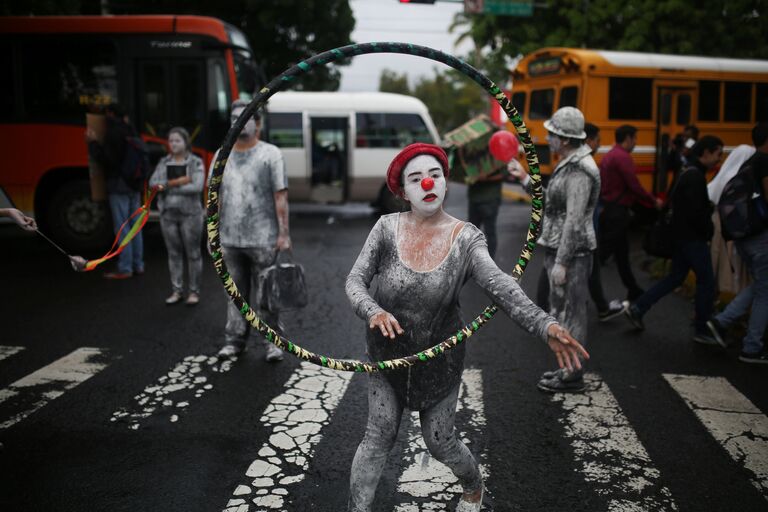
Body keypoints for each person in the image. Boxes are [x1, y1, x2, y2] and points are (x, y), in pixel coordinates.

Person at [345, 142, 588, 512]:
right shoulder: (385, 228)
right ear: (403, 191)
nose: (427, 183)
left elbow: (501, 287)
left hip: (439, 358)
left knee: (439, 440)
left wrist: (546, 325)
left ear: (445, 182)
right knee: (378, 435)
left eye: (435, 175)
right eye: (416, 178)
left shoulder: (466, 238)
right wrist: (372, 310)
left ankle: (473, 486)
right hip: (386, 356)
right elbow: (355, 281)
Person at [625, 136, 724, 344]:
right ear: (705, 153)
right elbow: (696, 213)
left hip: (679, 237)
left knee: (675, 278)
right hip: (693, 239)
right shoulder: (696, 177)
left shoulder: (685, 170)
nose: (719, 160)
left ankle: (639, 307)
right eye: (717, 154)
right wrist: (708, 229)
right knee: (706, 281)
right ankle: (702, 327)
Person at [214, 99, 290, 362]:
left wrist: (284, 234)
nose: (238, 122)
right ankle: (234, 341)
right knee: (234, 294)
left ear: (257, 124)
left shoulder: (271, 154)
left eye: (244, 117)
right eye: (234, 117)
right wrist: (212, 233)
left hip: (263, 238)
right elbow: (215, 198)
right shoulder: (221, 155)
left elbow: (280, 196)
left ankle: (272, 343)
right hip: (229, 239)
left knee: (266, 294)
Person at [529, 122, 627, 322]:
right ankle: (590, 309)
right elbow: (570, 217)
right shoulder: (573, 166)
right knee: (576, 272)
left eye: (551, 135)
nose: (547, 139)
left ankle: (555, 311)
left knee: (575, 271)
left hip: (569, 236)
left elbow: (569, 214)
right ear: (588, 141)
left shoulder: (576, 167)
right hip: (571, 237)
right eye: (597, 140)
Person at [707, 124, 768, 363]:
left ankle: (722, 322)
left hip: (744, 236)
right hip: (761, 236)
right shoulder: (763, 161)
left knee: (761, 285)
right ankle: (752, 347)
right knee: (765, 291)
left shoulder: (747, 162)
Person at [599, 124, 663, 301]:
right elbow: (634, 185)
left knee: (622, 255)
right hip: (617, 213)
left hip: (610, 209)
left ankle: (633, 290)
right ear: (627, 138)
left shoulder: (610, 154)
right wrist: (653, 200)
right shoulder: (623, 157)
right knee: (601, 256)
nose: (635, 142)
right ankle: (586, 293)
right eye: (634, 139)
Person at [85, 104, 144, 279]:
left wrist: (93, 143)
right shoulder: (131, 130)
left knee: (122, 228)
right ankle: (138, 264)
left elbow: (108, 159)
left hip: (119, 185)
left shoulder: (113, 133)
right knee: (135, 227)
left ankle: (125, 268)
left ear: (110, 114)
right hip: (134, 185)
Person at [149, 127, 206, 306]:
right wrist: (178, 182)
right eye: (171, 140)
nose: (173, 144)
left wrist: (167, 186)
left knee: (193, 253)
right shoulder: (163, 162)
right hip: (168, 214)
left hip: (191, 214)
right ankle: (177, 290)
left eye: (177, 140)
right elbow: (153, 183)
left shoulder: (195, 162)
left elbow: (197, 186)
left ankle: (194, 291)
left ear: (186, 142)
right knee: (173, 253)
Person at [708, 144, 756, 297]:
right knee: (730, 265)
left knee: (716, 260)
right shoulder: (739, 179)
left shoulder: (723, 175)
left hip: (716, 223)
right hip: (731, 226)